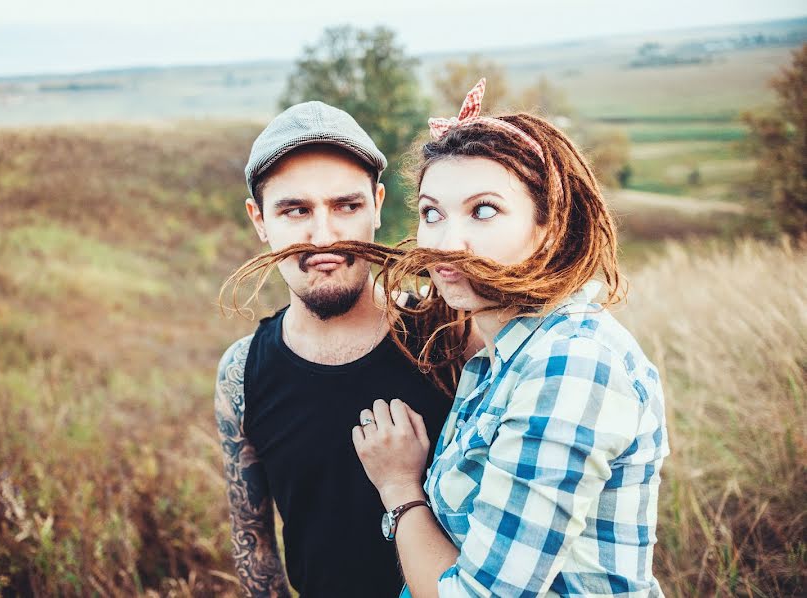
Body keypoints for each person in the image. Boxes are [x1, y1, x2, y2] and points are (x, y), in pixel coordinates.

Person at [353, 80, 670, 597]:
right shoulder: (500, 351)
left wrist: (398, 488)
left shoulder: (569, 365)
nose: (446, 243)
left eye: (483, 210)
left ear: (550, 225)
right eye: (432, 212)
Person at [214, 101, 453, 597]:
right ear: (259, 220)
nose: (323, 236)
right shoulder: (240, 373)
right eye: (295, 210)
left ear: (378, 204)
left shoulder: (447, 338)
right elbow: (253, 538)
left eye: (346, 206)